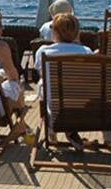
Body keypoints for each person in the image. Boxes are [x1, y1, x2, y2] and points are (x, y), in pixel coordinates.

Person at [34, 13, 93, 150]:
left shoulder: (43, 52)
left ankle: (52, 133)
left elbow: (41, 74)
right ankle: (71, 130)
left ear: (54, 31)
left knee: (43, 85)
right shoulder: (86, 52)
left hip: (55, 110)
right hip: (82, 110)